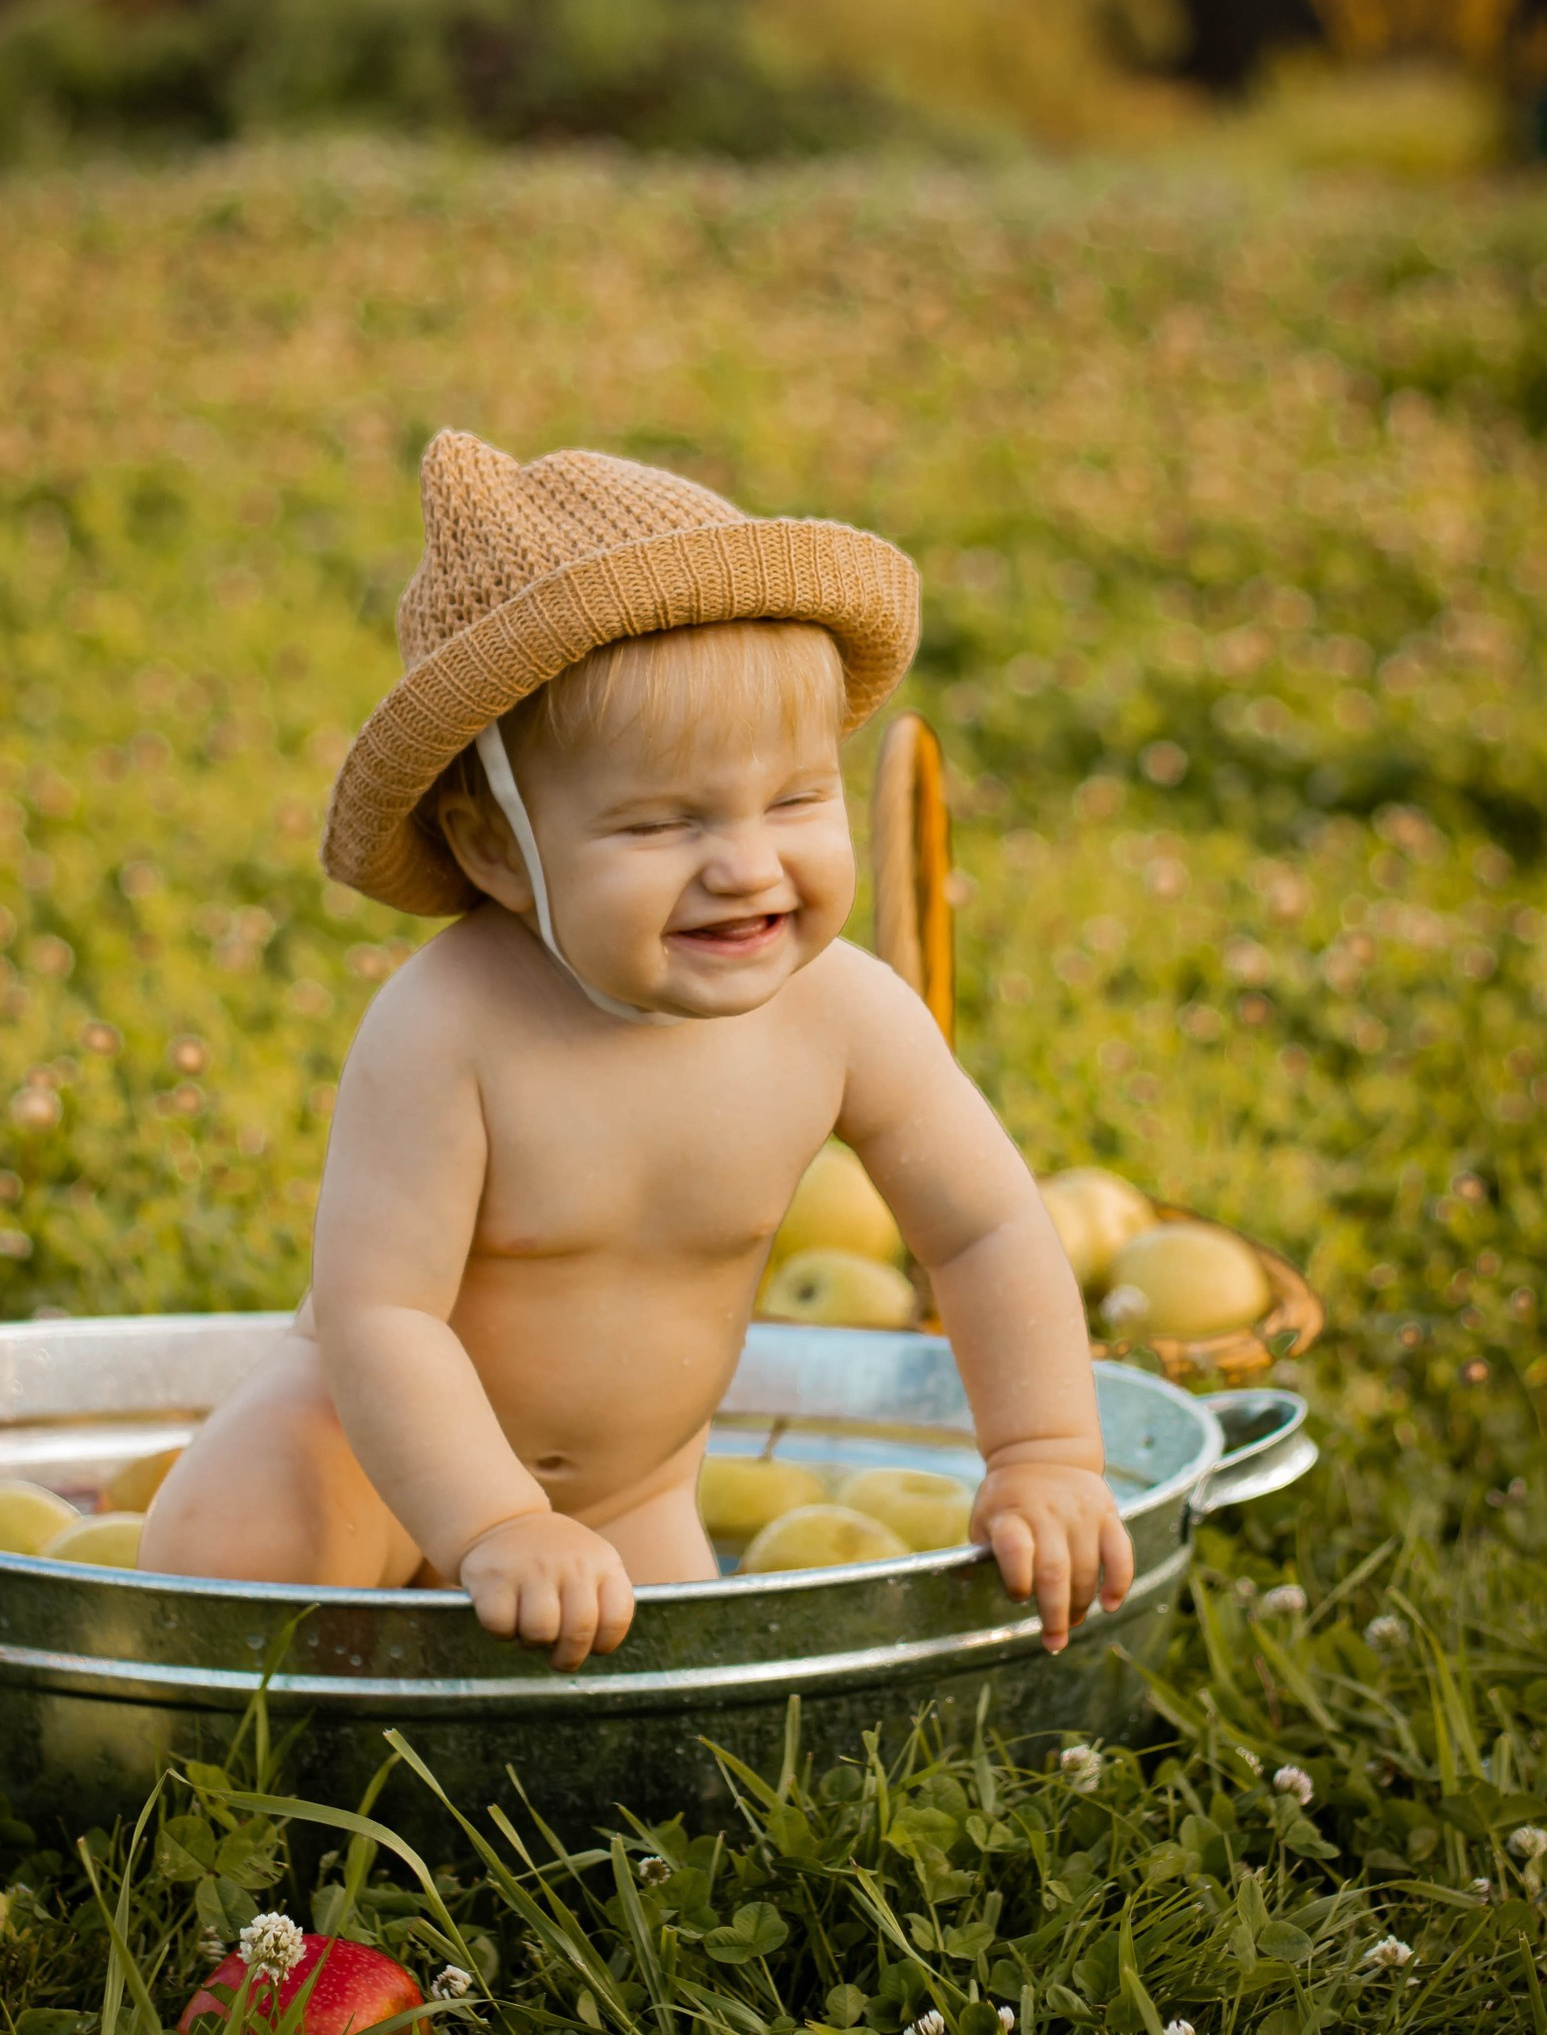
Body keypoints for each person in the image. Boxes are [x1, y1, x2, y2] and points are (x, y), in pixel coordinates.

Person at [139, 429, 1134, 1670]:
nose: (746, 863)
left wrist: (1043, 1453)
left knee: (671, 1748)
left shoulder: (847, 1013)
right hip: (368, 1456)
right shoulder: (449, 1028)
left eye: (796, 798)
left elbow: (985, 1227)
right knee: (227, 1575)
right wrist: (494, 1517)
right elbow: (379, 1311)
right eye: (661, 821)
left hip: (624, 1498)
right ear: (498, 850)